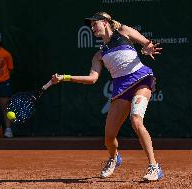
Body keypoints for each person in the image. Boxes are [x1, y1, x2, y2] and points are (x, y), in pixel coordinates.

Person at [51, 12, 163, 181]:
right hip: (121, 89)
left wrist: (147, 47)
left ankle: (154, 167)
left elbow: (145, 42)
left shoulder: (124, 31)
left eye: (94, 23)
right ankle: (114, 158)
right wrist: (66, 77)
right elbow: (93, 78)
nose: (92, 27)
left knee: (136, 120)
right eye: (90, 25)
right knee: (109, 137)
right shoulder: (99, 55)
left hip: (141, 79)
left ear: (104, 22)